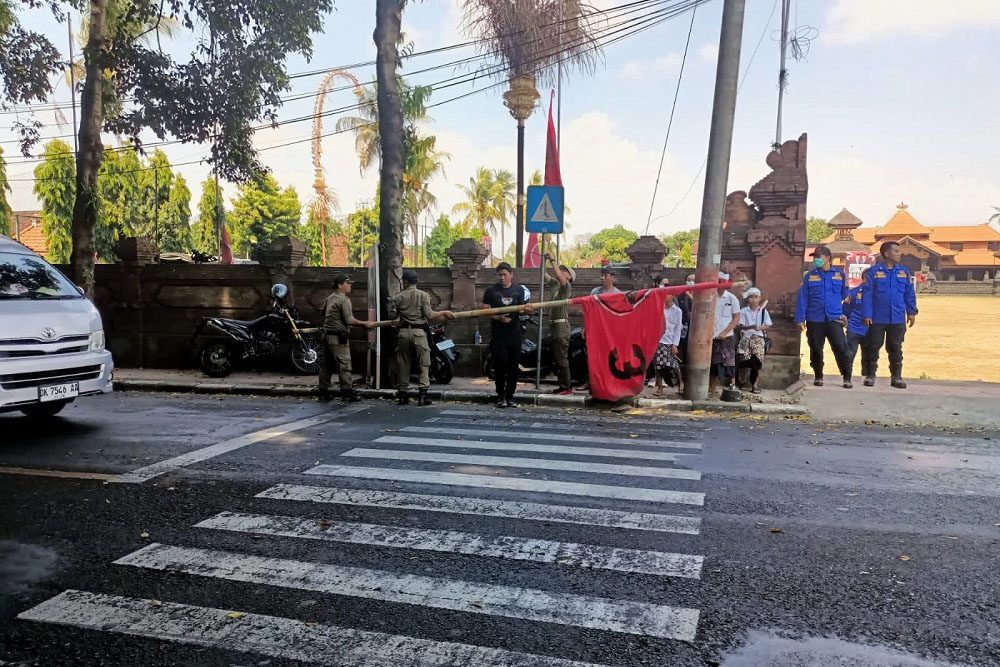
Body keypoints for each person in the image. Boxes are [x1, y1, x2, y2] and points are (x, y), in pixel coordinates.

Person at [389, 270, 455, 406]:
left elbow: (392, 316)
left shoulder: (398, 297)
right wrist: (444, 312)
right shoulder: (423, 295)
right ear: (416, 281)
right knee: (424, 364)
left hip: (402, 333)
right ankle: (422, 396)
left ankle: (402, 395)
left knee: (403, 364)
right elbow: (429, 315)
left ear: (405, 281)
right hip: (419, 334)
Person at [795, 245, 853, 388]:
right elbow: (803, 298)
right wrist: (800, 318)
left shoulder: (840, 275)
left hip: (834, 318)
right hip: (815, 318)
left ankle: (847, 377)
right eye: (814, 257)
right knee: (815, 348)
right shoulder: (810, 276)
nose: (816, 260)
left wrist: (845, 314)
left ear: (828, 258)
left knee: (841, 347)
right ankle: (818, 376)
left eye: (818, 257)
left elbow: (845, 295)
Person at [862, 241, 918, 388]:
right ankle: (870, 375)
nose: (900, 254)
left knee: (895, 347)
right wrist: (867, 314)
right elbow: (867, 295)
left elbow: (909, 293)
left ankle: (896, 377)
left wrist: (911, 312)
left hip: (897, 317)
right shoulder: (874, 272)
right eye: (896, 251)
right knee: (873, 346)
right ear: (886, 253)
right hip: (877, 317)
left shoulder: (903, 272)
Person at [482, 262, 532, 408]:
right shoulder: (491, 291)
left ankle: (510, 396)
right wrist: (498, 317)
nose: (502, 278)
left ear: (511, 275)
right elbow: (484, 310)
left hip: (515, 334)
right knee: (500, 365)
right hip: (498, 335)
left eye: (505, 275)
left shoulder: (518, 290)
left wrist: (528, 310)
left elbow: (522, 309)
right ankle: (500, 396)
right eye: (499, 275)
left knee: (513, 366)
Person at [319, 274, 373, 402]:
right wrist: (363, 323)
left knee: (327, 364)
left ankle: (323, 390)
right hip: (338, 336)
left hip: (327, 335)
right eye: (347, 283)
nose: (350, 285)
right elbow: (349, 319)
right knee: (344, 364)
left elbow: (322, 312)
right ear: (340, 285)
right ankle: (347, 391)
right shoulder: (344, 300)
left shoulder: (330, 298)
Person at [544, 254, 575, 395]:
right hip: (554, 326)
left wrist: (552, 260)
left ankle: (566, 387)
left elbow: (558, 275)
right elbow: (543, 274)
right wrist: (543, 261)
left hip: (561, 327)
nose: (560, 271)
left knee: (561, 358)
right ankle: (562, 385)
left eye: (564, 271)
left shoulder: (565, 287)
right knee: (557, 358)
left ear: (569, 276)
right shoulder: (555, 285)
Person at [737, 287, 772, 394]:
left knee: (757, 363)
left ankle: (755, 384)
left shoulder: (763, 312)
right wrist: (751, 327)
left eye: (756, 297)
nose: (753, 299)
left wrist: (759, 328)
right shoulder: (743, 311)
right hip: (746, 338)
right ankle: (741, 380)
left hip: (759, 339)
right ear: (748, 299)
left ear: (759, 298)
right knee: (743, 360)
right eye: (751, 297)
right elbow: (740, 325)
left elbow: (768, 325)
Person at [711, 272, 741, 394]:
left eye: (723, 282)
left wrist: (725, 332)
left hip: (727, 336)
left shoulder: (732, 298)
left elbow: (736, 318)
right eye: (719, 281)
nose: (721, 284)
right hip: (712, 335)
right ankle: (711, 388)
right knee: (713, 363)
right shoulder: (711, 296)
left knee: (729, 361)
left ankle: (732, 385)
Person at [842, 268, 874, 382]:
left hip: (871, 330)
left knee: (869, 356)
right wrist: (847, 321)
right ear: (865, 278)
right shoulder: (854, 292)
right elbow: (846, 310)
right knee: (849, 355)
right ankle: (847, 378)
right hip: (854, 329)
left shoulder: (877, 293)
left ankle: (867, 378)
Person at [653, 289, 684, 397]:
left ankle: (680, 383)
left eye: (667, 294)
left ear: (673, 296)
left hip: (670, 342)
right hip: (659, 341)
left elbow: (677, 329)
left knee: (674, 365)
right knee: (658, 366)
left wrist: (675, 344)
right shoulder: (659, 309)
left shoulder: (678, 311)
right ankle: (660, 388)